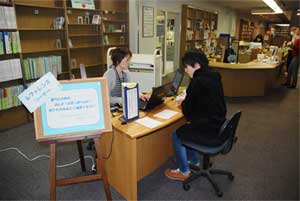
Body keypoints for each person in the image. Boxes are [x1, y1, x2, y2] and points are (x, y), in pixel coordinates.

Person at [164, 50, 227, 181]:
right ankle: (194, 161)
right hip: (220, 123)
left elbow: (188, 113)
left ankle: (184, 171)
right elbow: (207, 100)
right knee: (189, 126)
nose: (186, 71)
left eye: (187, 67)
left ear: (197, 65)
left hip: (209, 128)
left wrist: (183, 103)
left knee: (177, 134)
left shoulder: (197, 82)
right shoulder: (214, 75)